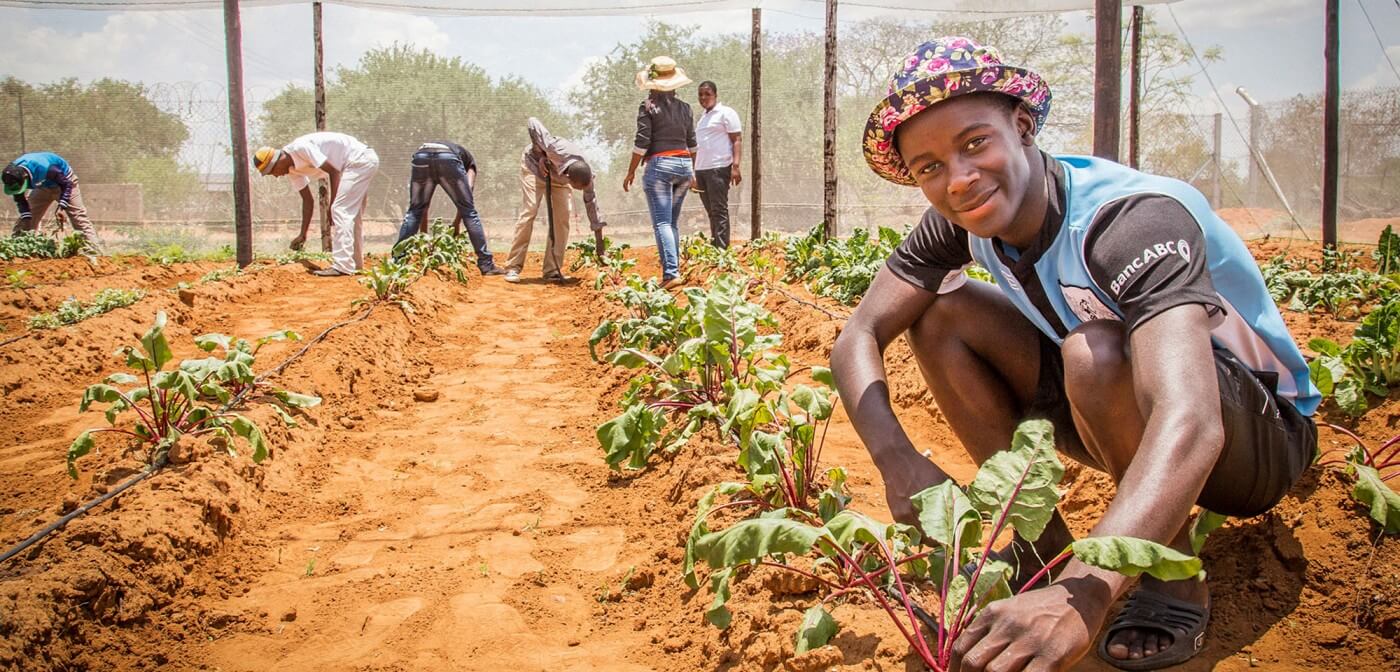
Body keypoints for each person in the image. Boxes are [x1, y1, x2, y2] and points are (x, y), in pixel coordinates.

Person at [833, 37, 1319, 672]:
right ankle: (1044, 550)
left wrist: (1089, 593)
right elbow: (857, 337)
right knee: (942, 315)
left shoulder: (1129, 221)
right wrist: (897, 461)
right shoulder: (961, 217)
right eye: (928, 167)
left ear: (1024, 126)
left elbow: (1192, 420)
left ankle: (1171, 582)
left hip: (1254, 439)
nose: (957, 178)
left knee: (1093, 351)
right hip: (1131, 411)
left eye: (975, 143)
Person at [254, 131, 379, 277]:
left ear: (278, 160)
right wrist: (303, 234)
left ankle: (343, 266)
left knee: (339, 210)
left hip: (359, 160)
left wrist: (332, 204)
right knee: (352, 215)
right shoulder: (292, 170)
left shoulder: (300, 148)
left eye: (272, 171)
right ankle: (354, 264)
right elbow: (308, 200)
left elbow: (333, 171)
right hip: (356, 164)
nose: (275, 176)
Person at [622, 56, 697, 288]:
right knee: (672, 223)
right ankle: (674, 270)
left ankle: (671, 274)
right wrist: (691, 171)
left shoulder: (647, 107)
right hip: (684, 165)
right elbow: (692, 144)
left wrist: (631, 171)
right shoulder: (685, 108)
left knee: (662, 223)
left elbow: (642, 141)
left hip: (660, 166)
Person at [504, 118, 605, 283]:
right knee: (530, 211)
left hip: (558, 180)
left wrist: (599, 244)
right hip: (534, 169)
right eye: (578, 188)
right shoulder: (555, 148)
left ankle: (552, 270)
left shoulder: (586, 175)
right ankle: (513, 267)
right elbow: (532, 122)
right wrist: (541, 153)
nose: (581, 191)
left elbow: (592, 206)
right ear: (569, 179)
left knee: (562, 219)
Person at [393, 140, 504, 276]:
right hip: (447, 158)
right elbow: (466, 202)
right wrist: (456, 224)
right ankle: (486, 265)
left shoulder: (456, 152)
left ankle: (397, 262)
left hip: (421, 155)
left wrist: (424, 235)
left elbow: (423, 207)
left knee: (415, 210)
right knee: (469, 211)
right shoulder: (471, 164)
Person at [3, 151, 102, 252]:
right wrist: (26, 215)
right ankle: (17, 251)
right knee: (26, 219)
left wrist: (62, 205)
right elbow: (20, 198)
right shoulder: (12, 176)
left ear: (25, 177)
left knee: (78, 217)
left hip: (64, 184)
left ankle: (94, 252)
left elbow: (66, 184)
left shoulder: (46, 168)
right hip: (42, 186)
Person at [693, 80, 743, 249]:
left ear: (715, 94)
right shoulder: (702, 118)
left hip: (718, 168)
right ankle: (715, 245)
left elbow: (736, 139)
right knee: (710, 211)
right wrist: (693, 172)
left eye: (707, 94)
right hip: (701, 170)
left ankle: (722, 249)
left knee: (719, 209)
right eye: (700, 94)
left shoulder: (726, 113)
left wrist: (735, 166)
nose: (703, 97)